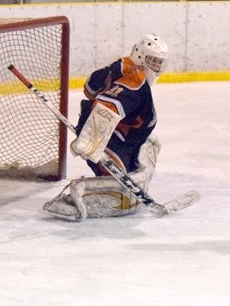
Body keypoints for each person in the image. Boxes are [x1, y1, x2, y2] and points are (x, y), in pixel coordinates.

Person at [42, 34, 169, 221]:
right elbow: (107, 106)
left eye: (160, 63)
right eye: (153, 61)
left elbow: (89, 89)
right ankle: (77, 195)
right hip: (109, 137)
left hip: (124, 136)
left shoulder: (122, 66)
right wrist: (91, 138)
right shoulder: (135, 81)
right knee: (117, 181)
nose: (157, 68)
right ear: (140, 57)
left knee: (150, 147)